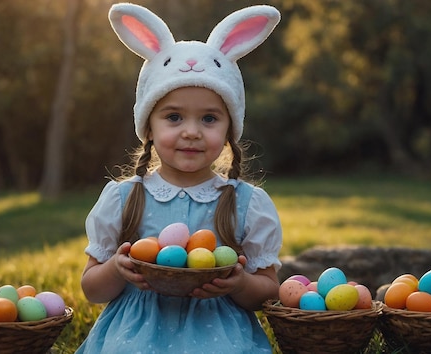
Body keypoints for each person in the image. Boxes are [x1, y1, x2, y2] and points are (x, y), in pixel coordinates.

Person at [76, 3, 282, 353]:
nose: (191, 132)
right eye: (173, 117)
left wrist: (238, 284)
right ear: (149, 127)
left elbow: (268, 291)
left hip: (218, 331)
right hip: (135, 332)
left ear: (230, 127)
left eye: (209, 119)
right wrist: (117, 269)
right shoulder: (124, 199)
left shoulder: (246, 203)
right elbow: (92, 290)